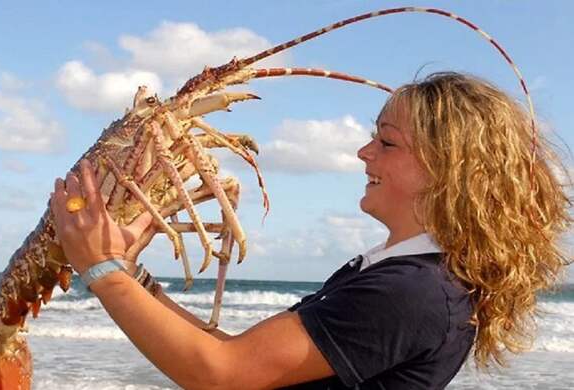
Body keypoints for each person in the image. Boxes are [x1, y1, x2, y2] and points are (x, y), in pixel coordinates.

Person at [50, 72, 572, 389]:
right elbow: (246, 358)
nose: (364, 153)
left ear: (447, 168)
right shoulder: (396, 273)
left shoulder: (413, 291)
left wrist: (103, 272)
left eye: (387, 143)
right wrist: (133, 277)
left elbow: (219, 374)